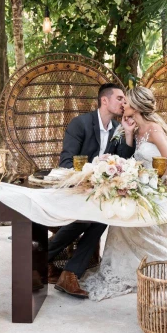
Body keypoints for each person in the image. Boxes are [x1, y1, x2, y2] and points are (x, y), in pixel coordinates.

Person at [81, 86, 167, 301]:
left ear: (135, 105)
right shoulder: (133, 129)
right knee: (118, 216)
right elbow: (126, 160)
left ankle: (165, 268)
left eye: (126, 102)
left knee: (127, 215)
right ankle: (126, 270)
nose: (122, 105)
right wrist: (127, 133)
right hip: (137, 189)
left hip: (153, 193)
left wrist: (153, 188)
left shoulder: (154, 129)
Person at [48, 83, 136, 298]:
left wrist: (129, 133)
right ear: (104, 100)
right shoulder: (80, 124)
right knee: (95, 218)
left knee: (102, 215)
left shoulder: (118, 128)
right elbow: (66, 162)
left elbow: (124, 160)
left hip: (99, 191)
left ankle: (62, 269)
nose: (124, 103)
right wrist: (96, 163)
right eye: (120, 98)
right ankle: (61, 268)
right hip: (75, 188)